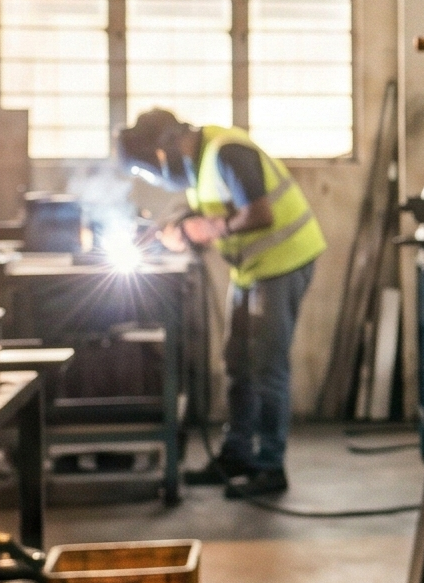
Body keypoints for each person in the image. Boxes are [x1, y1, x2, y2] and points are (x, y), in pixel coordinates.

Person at [118, 108, 327, 499]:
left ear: (165, 149)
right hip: (250, 269)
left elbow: (258, 213)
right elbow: (212, 211)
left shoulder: (228, 152)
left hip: (284, 262)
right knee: (236, 362)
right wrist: (170, 229)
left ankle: (269, 466)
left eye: (156, 170)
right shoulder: (200, 164)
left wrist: (207, 229)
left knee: (267, 367)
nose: (162, 178)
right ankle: (237, 455)